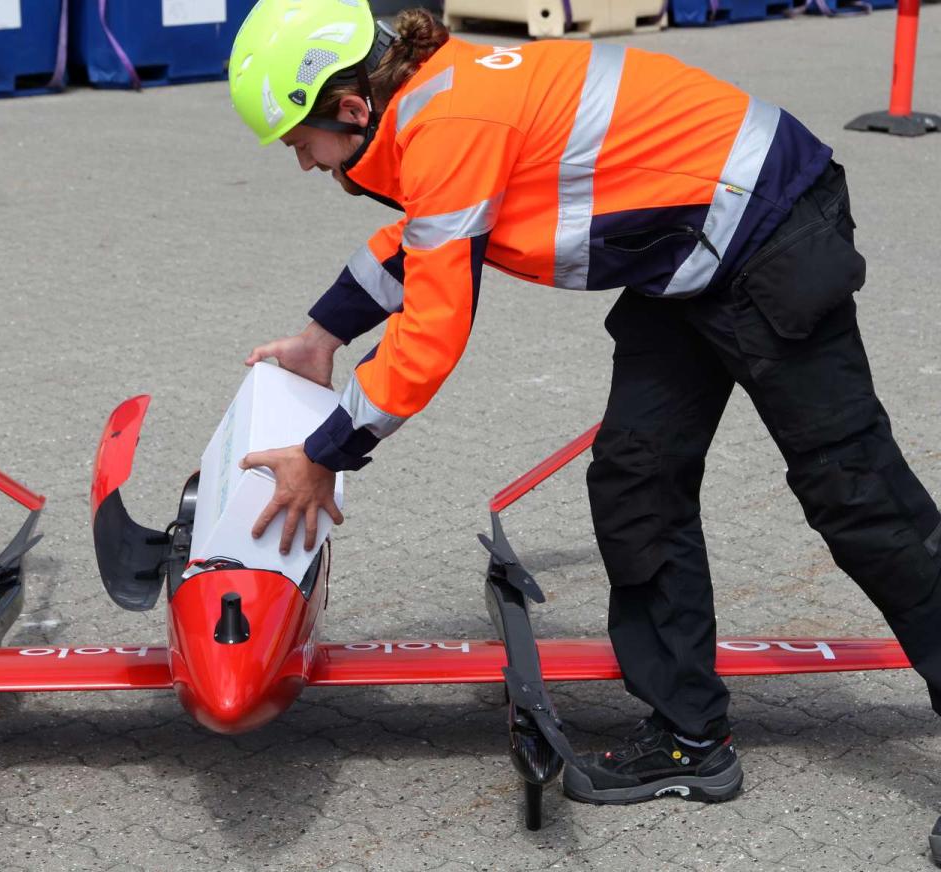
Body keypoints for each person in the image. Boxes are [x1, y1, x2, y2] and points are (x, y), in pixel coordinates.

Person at [227, 0, 941, 806]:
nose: (305, 164)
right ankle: (690, 739)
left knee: (858, 496)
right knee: (638, 478)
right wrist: (323, 334)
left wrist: (322, 454)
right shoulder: (437, 105)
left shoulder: (449, 120)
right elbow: (433, 238)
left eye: (301, 143)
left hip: (770, 227)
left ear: (352, 108)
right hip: (687, 254)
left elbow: (432, 330)